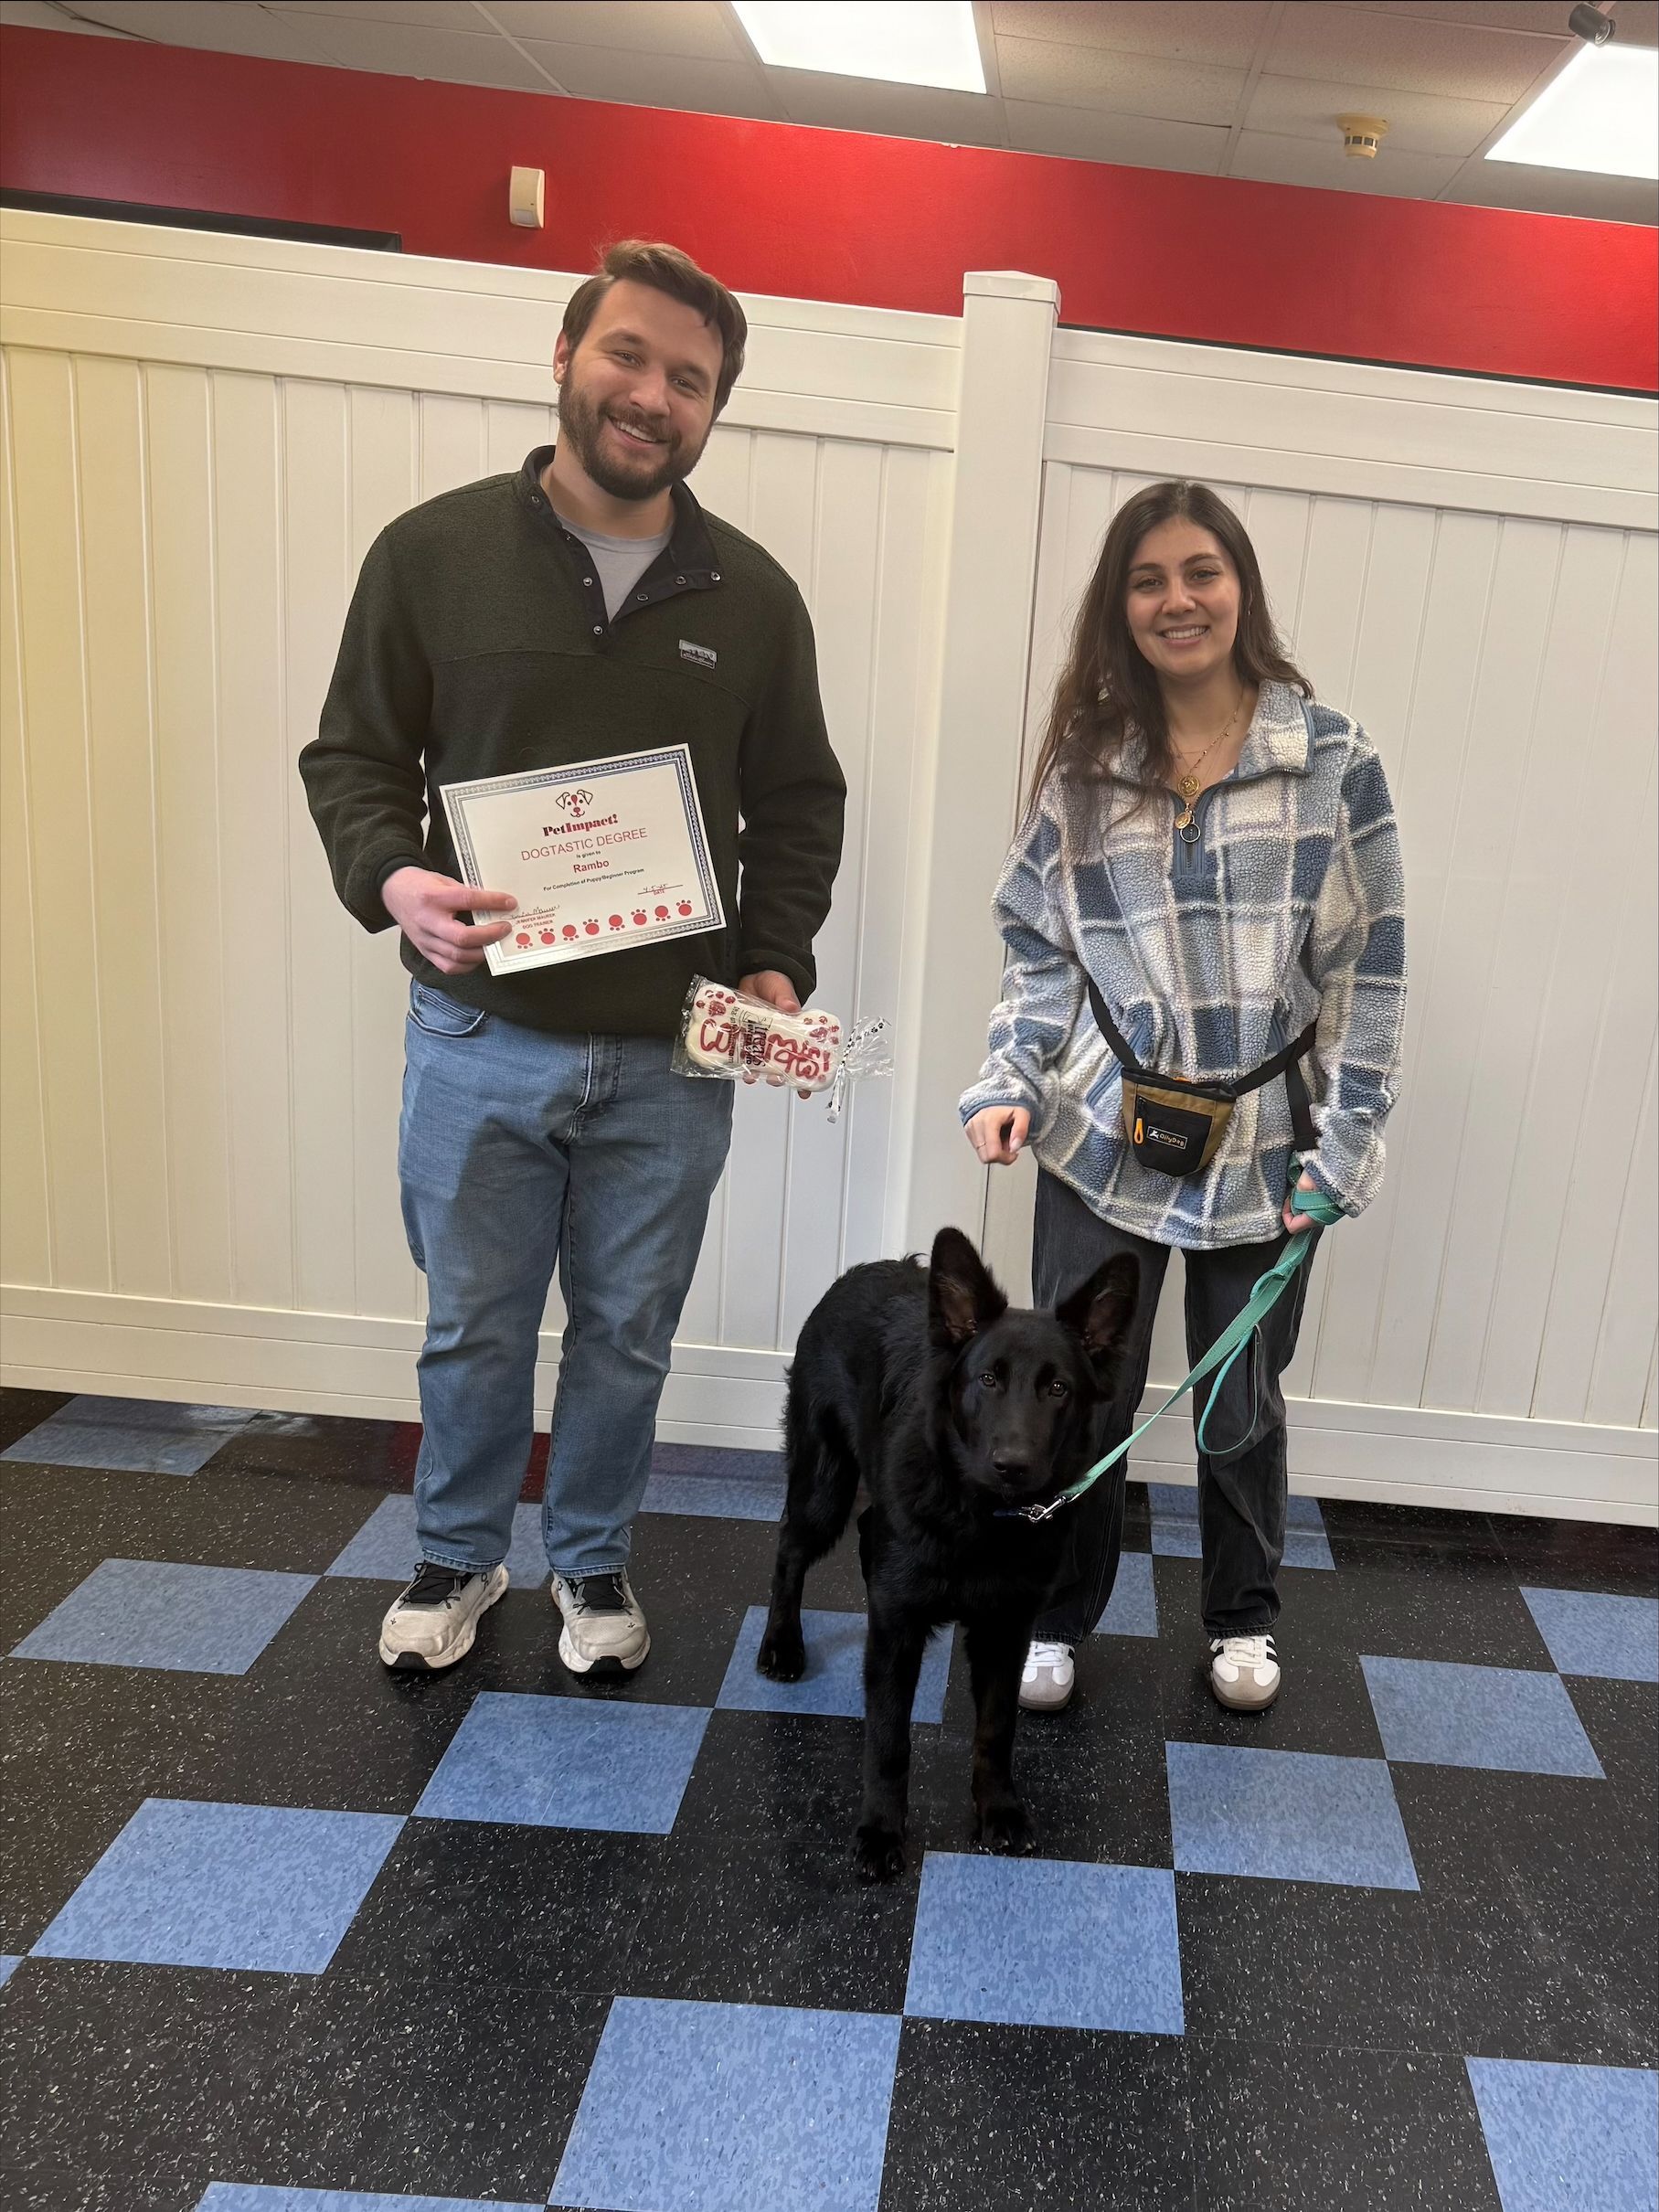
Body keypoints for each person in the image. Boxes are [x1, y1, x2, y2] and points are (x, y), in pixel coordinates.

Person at [301, 240, 845, 1677]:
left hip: (675, 1056)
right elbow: (351, 757)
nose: (651, 394)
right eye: (628, 355)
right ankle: (458, 1559)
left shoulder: (755, 599)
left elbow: (797, 803)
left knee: (626, 1336)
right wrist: (393, 879)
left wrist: (776, 963)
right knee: (474, 1327)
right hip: (478, 1037)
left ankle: (592, 1569)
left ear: (714, 410)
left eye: (690, 378)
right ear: (563, 357)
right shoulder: (431, 555)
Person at [961, 480, 1405, 1715]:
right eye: (1149, 580)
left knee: (1239, 1394)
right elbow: (1037, 948)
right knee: (1068, 1385)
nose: (1178, 599)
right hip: (1100, 1130)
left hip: (1269, 1142)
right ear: (1123, 607)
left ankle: (1242, 1619)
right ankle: (1053, 1614)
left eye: (1200, 572)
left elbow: (1373, 972)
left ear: (1240, 587)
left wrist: (1348, 1142)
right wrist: (1010, 1079)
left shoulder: (1331, 761)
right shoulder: (1087, 770)